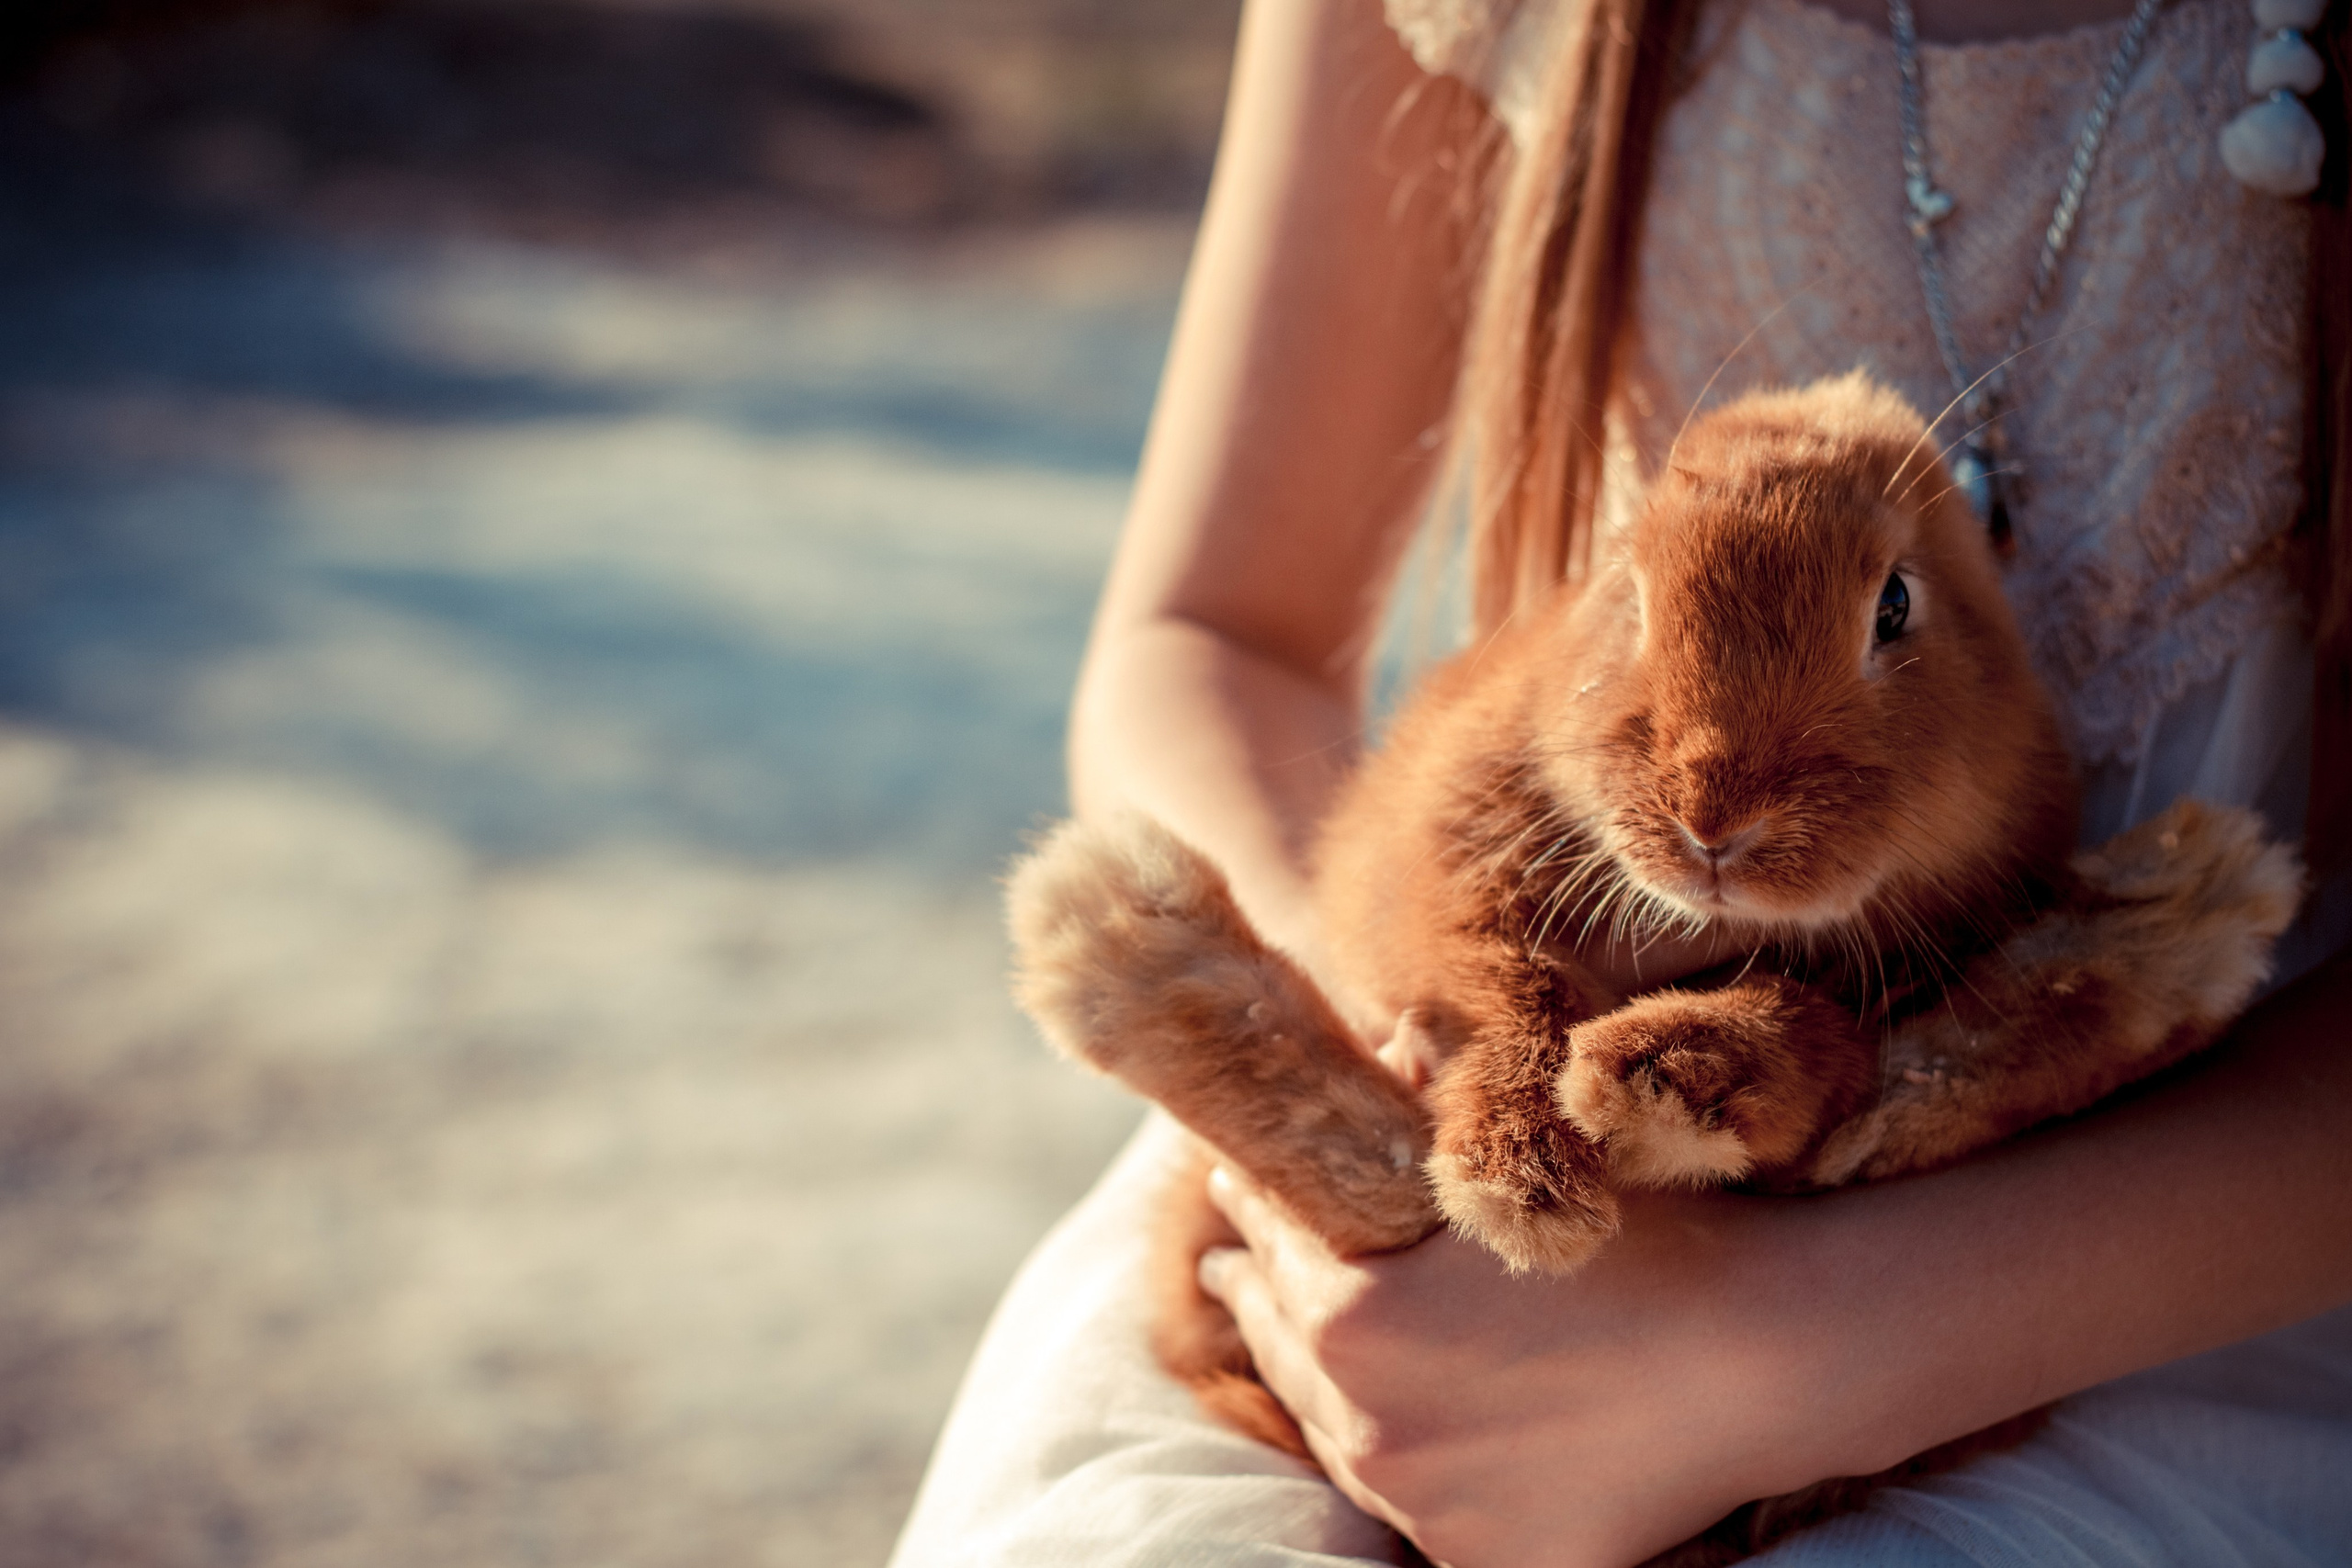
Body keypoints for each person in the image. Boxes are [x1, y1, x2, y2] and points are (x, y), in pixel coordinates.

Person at [888, 0, 2352, 1562]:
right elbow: (1211, 634)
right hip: (1445, 1148)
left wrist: (1788, 1347)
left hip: (2170, 1257)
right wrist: (1391, 1112)